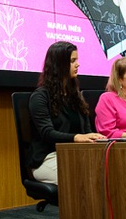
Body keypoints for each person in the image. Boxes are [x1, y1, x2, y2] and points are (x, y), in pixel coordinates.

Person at [27, 42, 104, 184]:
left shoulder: (75, 95)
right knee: (85, 179)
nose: (78, 64)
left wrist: (94, 138)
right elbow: (47, 133)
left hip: (75, 154)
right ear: (59, 65)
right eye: (72, 61)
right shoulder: (40, 97)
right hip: (47, 158)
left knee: (107, 172)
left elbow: (86, 129)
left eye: (77, 60)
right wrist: (76, 137)